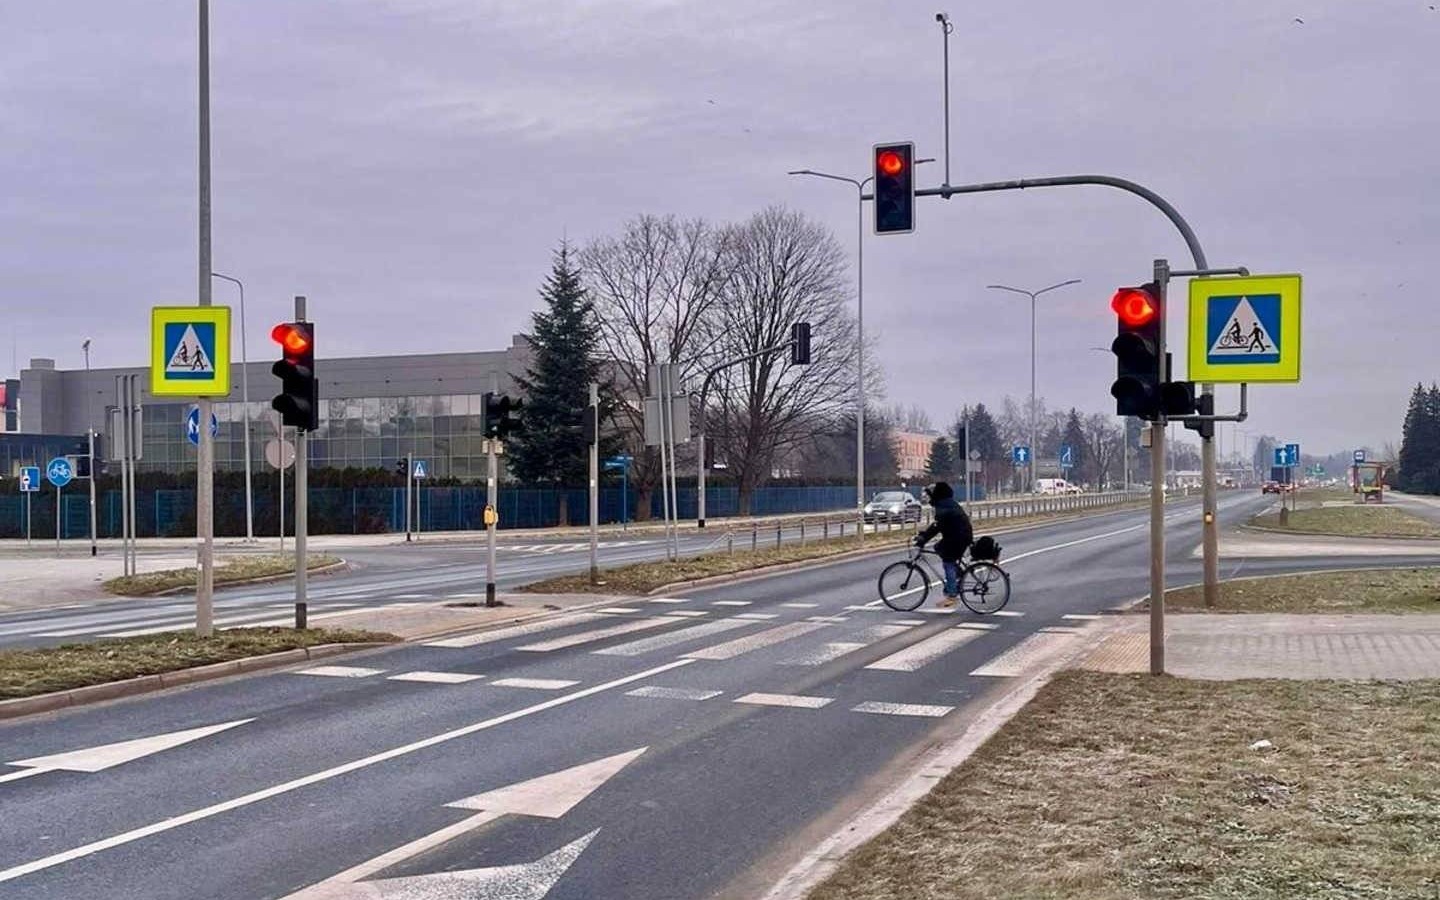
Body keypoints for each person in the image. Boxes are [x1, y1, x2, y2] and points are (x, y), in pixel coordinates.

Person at [913, 481, 974, 607]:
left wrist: (923, 538)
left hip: (958, 537)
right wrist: (924, 535)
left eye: (930, 495)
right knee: (939, 547)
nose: (929, 498)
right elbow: (937, 525)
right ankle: (958, 574)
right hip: (960, 535)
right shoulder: (946, 504)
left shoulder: (943, 507)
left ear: (937, 495)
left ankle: (952, 595)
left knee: (948, 563)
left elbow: (937, 527)